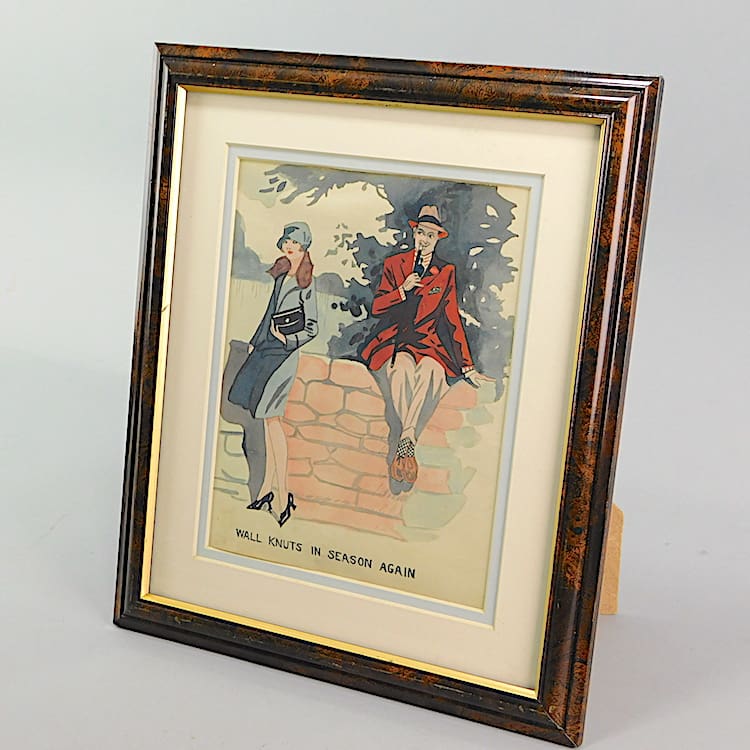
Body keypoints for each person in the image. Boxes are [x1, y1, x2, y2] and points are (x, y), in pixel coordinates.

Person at [361, 205, 490, 483]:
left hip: (429, 344)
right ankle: (408, 442)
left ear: (438, 239)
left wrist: (467, 366)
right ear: (414, 233)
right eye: (421, 233)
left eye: (431, 235)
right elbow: (378, 307)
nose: (424, 239)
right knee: (401, 370)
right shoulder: (395, 264)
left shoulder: (445, 271)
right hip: (396, 341)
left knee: (432, 371)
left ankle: (405, 437)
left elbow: (452, 319)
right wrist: (402, 290)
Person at [227, 222, 318, 526]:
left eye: (295, 243)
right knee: (266, 421)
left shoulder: (307, 283)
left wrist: (287, 340)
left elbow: (312, 328)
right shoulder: (281, 276)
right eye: (286, 242)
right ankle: (268, 491)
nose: (289, 247)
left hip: (285, 356)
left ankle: (282, 495)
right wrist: (256, 342)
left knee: (272, 420)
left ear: (304, 247)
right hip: (267, 351)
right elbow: (268, 314)